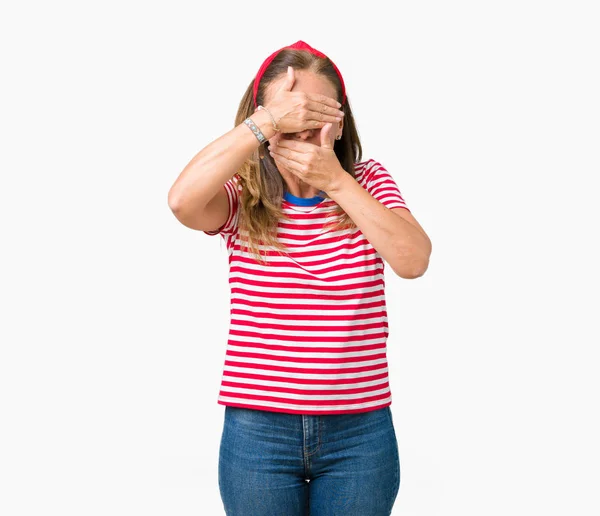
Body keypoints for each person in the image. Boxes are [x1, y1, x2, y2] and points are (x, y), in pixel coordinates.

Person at [168, 40, 432, 516]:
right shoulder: (242, 190)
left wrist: (335, 180)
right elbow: (182, 203)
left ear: (341, 120)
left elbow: (413, 260)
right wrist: (266, 122)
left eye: (318, 112)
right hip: (258, 432)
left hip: (360, 434)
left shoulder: (366, 182)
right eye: (293, 112)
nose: (306, 126)